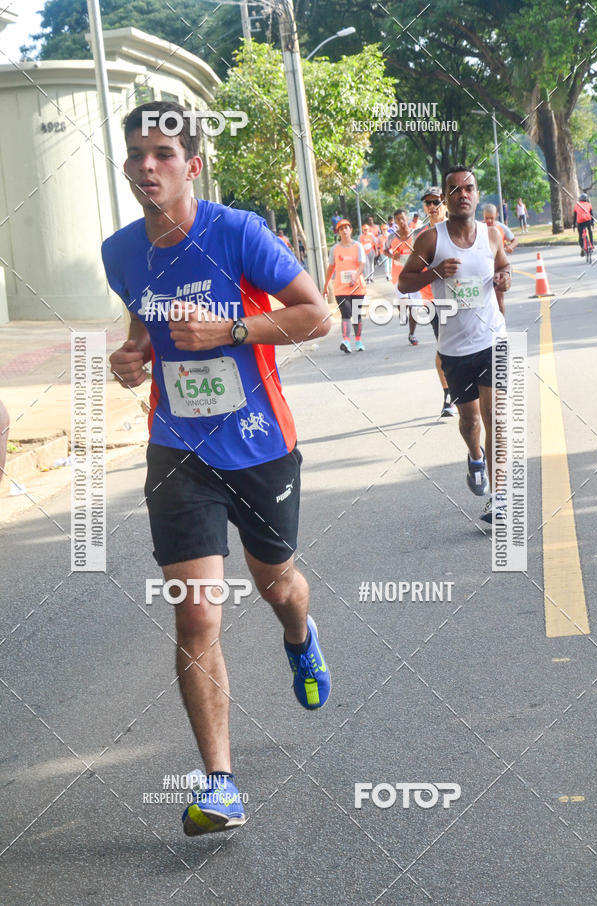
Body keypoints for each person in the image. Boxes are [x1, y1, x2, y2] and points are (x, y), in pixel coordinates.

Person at [103, 101, 332, 836]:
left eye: (163, 154)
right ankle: (220, 784)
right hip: (178, 451)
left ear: (191, 165)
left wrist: (232, 327)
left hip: (260, 445)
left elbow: (316, 313)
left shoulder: (237, 233)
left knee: (278, 586)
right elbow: (143, 323)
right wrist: (133, 358)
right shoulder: (120, 252)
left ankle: (301, 638)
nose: (148, 165)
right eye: (137, 153)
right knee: (198, 611)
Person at [398, 165, 511, 522]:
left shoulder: (491, 236)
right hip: (454, 348)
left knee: (496, 418)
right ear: (446, 198)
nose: (463, 194)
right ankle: (475, 457)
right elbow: (403, 283)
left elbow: (503, 266)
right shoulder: (431, 240)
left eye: (469, 188)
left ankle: (500, 497)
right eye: (455, 189)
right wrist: (434, 272)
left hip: (492, 338)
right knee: (469, 420)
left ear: (477, 195)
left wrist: (504, 278)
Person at [413, 186, 457, 416]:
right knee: (443, 348)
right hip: (434, 302)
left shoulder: (459, 230)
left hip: (462, 299)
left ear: (446, 204)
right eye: (428, 203)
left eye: (436, 202)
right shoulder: (422, 238)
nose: (432, 207)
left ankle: (470, 389)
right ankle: (448, 394)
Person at [323, 219, 367, 352]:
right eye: (341, 229)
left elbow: (362, 265)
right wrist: (325, 285)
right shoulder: (335, 249)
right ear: (338, 232)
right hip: (341, 288)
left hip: (357, 287)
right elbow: (331, 268)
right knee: (346, 314)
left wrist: (355, 275)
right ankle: (346, 341)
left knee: (356, 314)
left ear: (351, 230)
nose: (344, 231)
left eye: (346, 228)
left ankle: (358, 341)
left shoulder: (358, 246)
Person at [384, 208, 419, 345]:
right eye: (398, 219)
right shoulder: (392, 237)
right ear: (395, 222)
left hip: (414, 274)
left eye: (403, 218)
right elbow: (385, 250)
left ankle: (412, 334)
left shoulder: (416, 235)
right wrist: (393, 255)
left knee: (414, 307)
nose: (401, 221)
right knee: (405, 304)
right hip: (399, 276)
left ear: (407, 219)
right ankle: (401, 310)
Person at [482, 203, 518, 316]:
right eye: (486, 218)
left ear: (496, 215)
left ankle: (501, 322)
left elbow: (515, 240)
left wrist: (510, 247)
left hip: (498, 268)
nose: (489, 221)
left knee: (499, 298)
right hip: (484, 270)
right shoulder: (478, 228)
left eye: (491, 218)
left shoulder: (500, 227)